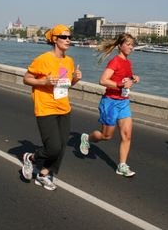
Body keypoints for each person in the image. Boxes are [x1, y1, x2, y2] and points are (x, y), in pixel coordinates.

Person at [21, 24, 82, 190]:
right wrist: (43, 81)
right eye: (64, 37)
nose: (68, 40)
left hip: (64, 107)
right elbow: (26, 79)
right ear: (55, 39)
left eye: (69, 37)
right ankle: (31, 158)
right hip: (46, 107)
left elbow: (65, 85)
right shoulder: (43, 59)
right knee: (53, 147)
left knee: (61, 147)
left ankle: (43, 174)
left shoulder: (69, 61)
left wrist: (76, 78)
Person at [79, 33, 140, 177]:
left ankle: (122, 165)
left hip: (123, 102)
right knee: (106, 136)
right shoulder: (115, 61)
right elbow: (103, 80)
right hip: (110, 103)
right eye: (129, 44)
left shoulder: (128, 62)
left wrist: (134, 78)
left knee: (127, 135)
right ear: (120, 46)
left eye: (132, 45)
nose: (131, 47)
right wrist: (120, 84)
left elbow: (126, 78)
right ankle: (87, 138)